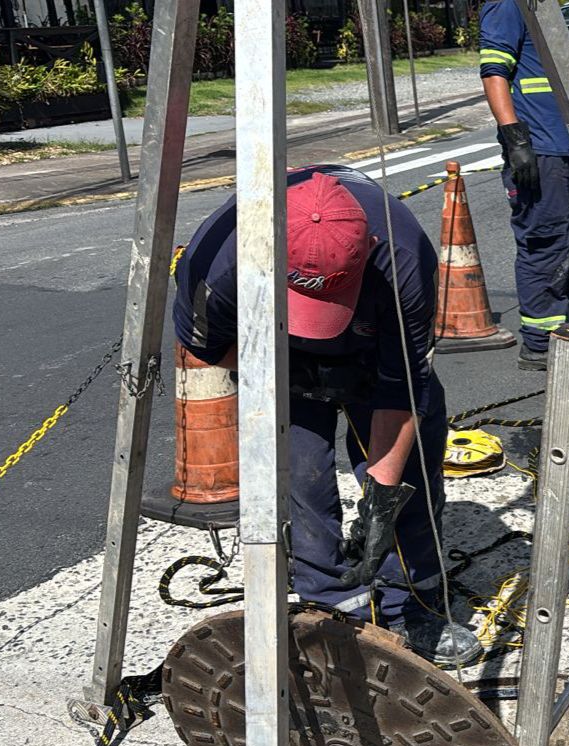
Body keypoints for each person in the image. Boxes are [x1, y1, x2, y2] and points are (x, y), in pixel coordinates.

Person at [172, 165, 457, 664]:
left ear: (367, 245)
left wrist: (380, 501)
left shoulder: (404, 256)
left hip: (374, 345)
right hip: (280, 354)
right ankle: (330, 606)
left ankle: (413, 601)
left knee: (410, 474)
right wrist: (290, 376)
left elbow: (402, 390)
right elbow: (208, 346)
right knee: (302, 476)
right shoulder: (218, 262)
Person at [479, 0, 569, 371]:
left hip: (557, 146)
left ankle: (551, 329)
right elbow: (493, 72)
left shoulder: (540, 8)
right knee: (544, 239)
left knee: (559, 238)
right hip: (537, 148)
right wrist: (515, 138)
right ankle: (539, 343)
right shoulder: (508, 4)